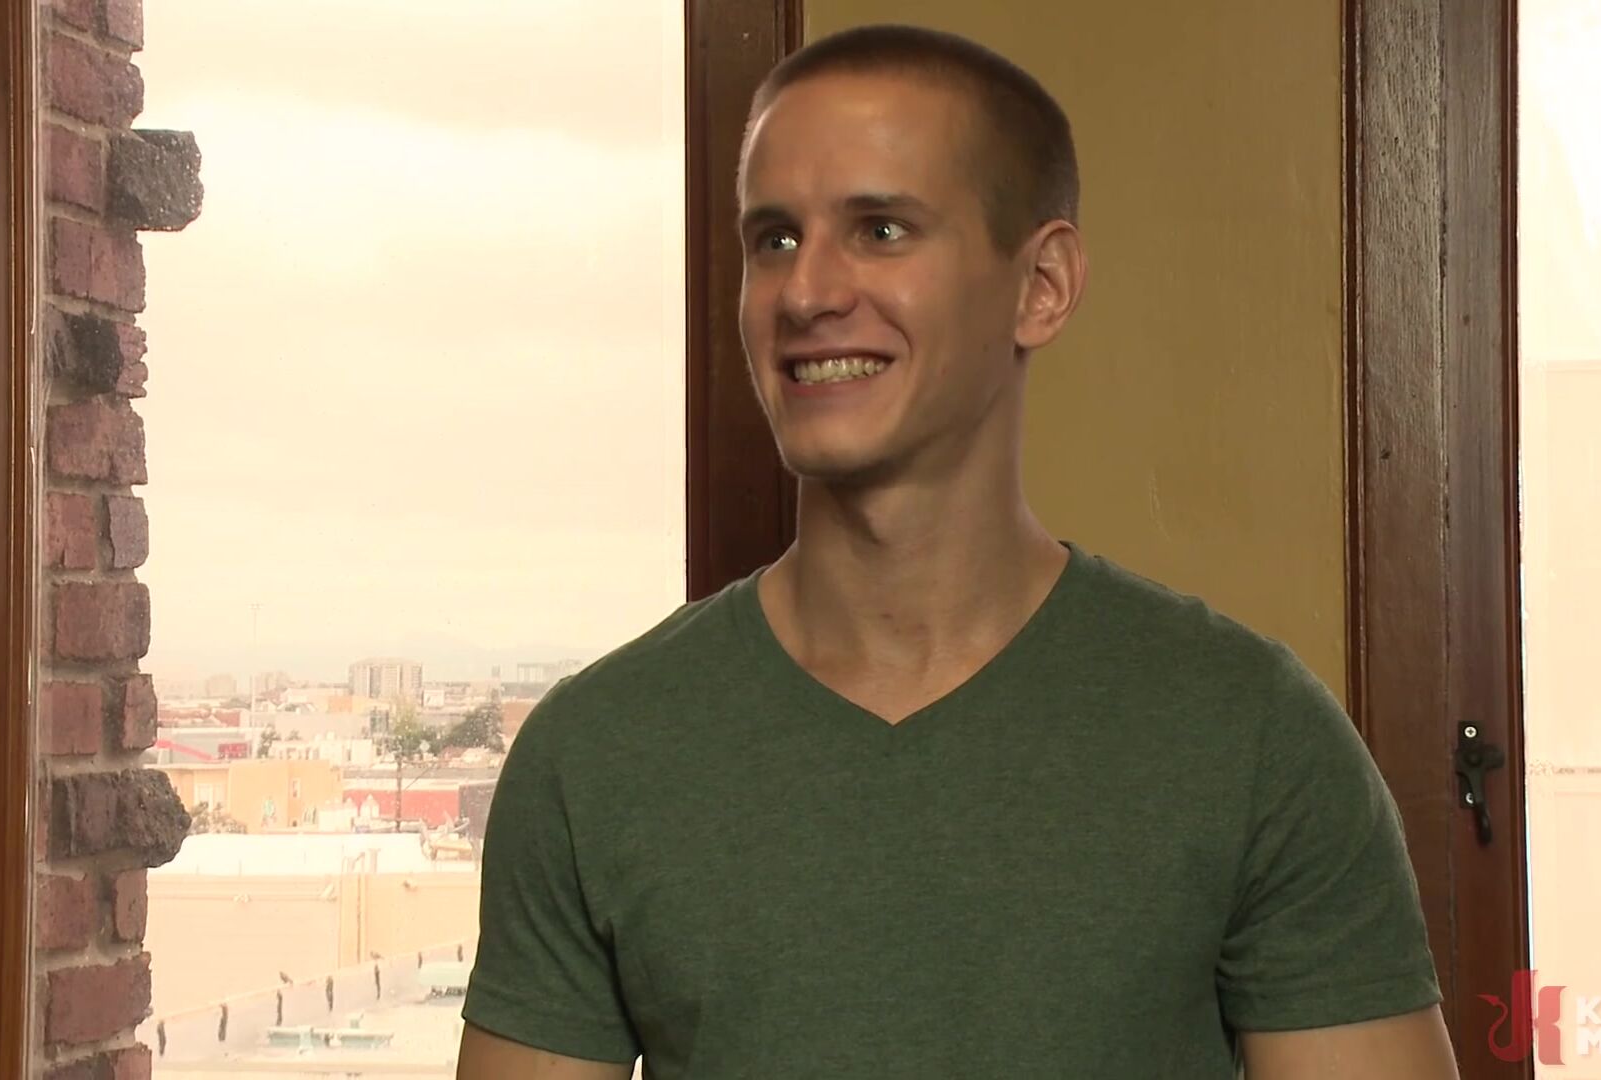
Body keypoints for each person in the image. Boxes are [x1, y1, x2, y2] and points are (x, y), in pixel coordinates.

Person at [456, 24, 1458, 1080]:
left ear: (1041, 286)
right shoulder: (595, 756)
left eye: (880, 230)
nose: (805, 292)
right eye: (774, 239)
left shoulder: (1251, 738)